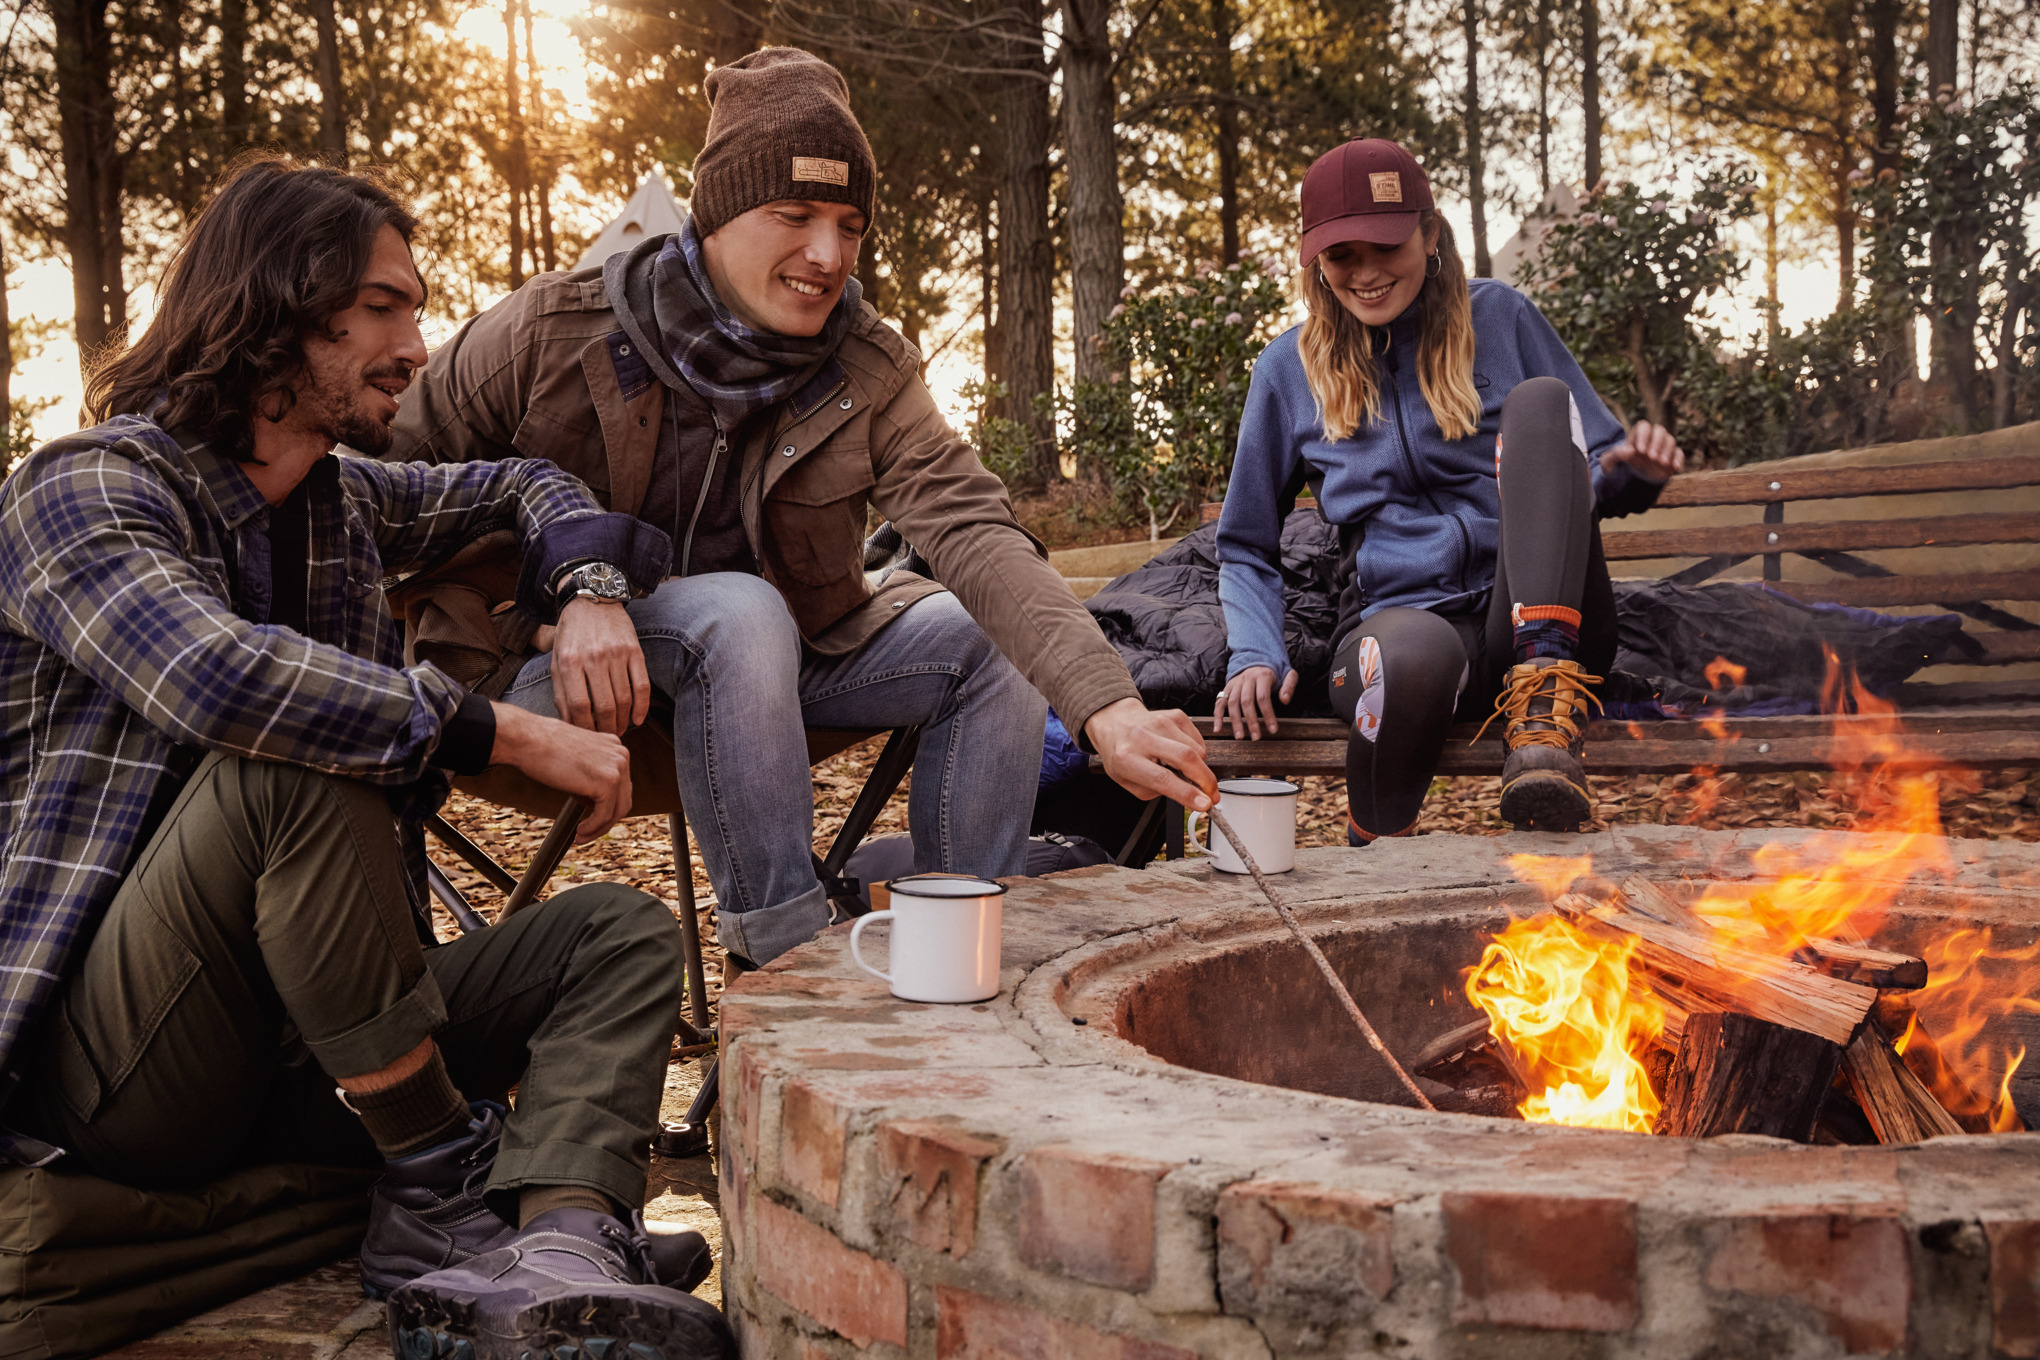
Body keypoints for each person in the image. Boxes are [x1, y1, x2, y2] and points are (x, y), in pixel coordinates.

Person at [0, 156, 734, 1359]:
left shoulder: (344, 503)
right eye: (386, 306)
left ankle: (561, 1245)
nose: (420, 344)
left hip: (319, 1047)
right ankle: (442, 1182)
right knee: (296, 752)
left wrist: (590, 589)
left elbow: (522, 481)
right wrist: (492, 723)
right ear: (280, 307)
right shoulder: (81, 489)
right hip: (119, 1063)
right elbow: (219, 680)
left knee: (620, 932)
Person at [388, 47, 1215, 967]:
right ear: (717, 212)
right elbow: (362, 492)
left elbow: (975, 530)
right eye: (794, 215)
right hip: (546, 692)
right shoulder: (552, 330)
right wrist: (542, 606)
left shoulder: (869, 367)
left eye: (850, 224)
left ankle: (962, 953)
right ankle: (784, 968)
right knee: (737, 610)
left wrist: (1108, 708)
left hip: (778, 681)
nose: (828, 256)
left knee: (980, 636)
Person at [1213, 138, 1684, 838]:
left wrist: (1630, 474)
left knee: (1538, 403)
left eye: (1386, 246)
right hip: (1398, 624)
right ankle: (1373, 839)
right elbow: (1245, 543)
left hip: (1536, 622)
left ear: (1429, 233)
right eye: (1343, 256)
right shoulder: (1286, 372)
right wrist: (1254, 652)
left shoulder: (1501, 317)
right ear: (1315, 260)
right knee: (1413, 658)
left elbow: (1588, 467)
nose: (1366, 273)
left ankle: (1542, 715)